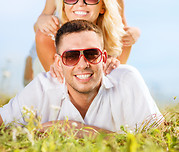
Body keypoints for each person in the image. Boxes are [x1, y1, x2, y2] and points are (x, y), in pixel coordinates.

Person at [0, 20, 163, 134]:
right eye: (71, 56)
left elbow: (158, 138)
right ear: (58, 62)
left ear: (104, 58)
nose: (83, 64)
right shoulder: (44, 87)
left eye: (92, 54)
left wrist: (80, 130)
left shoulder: (127, 79)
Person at [36, 0, 125, 76]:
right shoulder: (46, 37)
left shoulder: (120, 41)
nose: (80, 3)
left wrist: (114, 68)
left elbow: (114, 87)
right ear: (63, 5)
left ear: (103, 6)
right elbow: (65, 88)